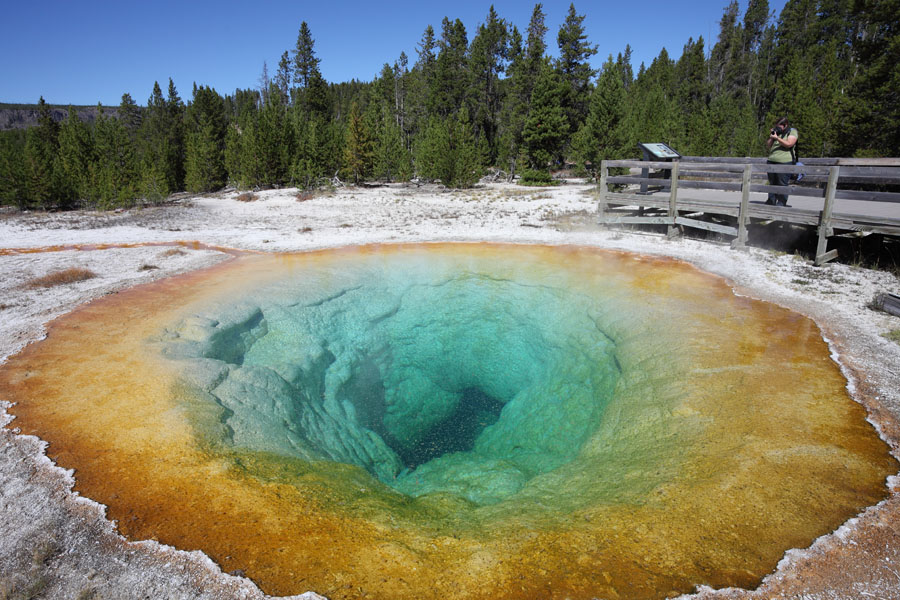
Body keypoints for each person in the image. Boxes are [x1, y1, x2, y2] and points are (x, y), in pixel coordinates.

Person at [765, 117, 799, 206]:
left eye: (779, 127)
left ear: (785, 125)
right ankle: (771, 200)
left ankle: (781, 202)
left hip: (785, 162)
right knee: (772, 182)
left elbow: (789, 144)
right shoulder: (777, 133)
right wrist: (772, 136)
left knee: (782, 183)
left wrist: (777, 138)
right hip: (772, 161)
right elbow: (768, 146)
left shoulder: (792, 132)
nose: (778, 128)